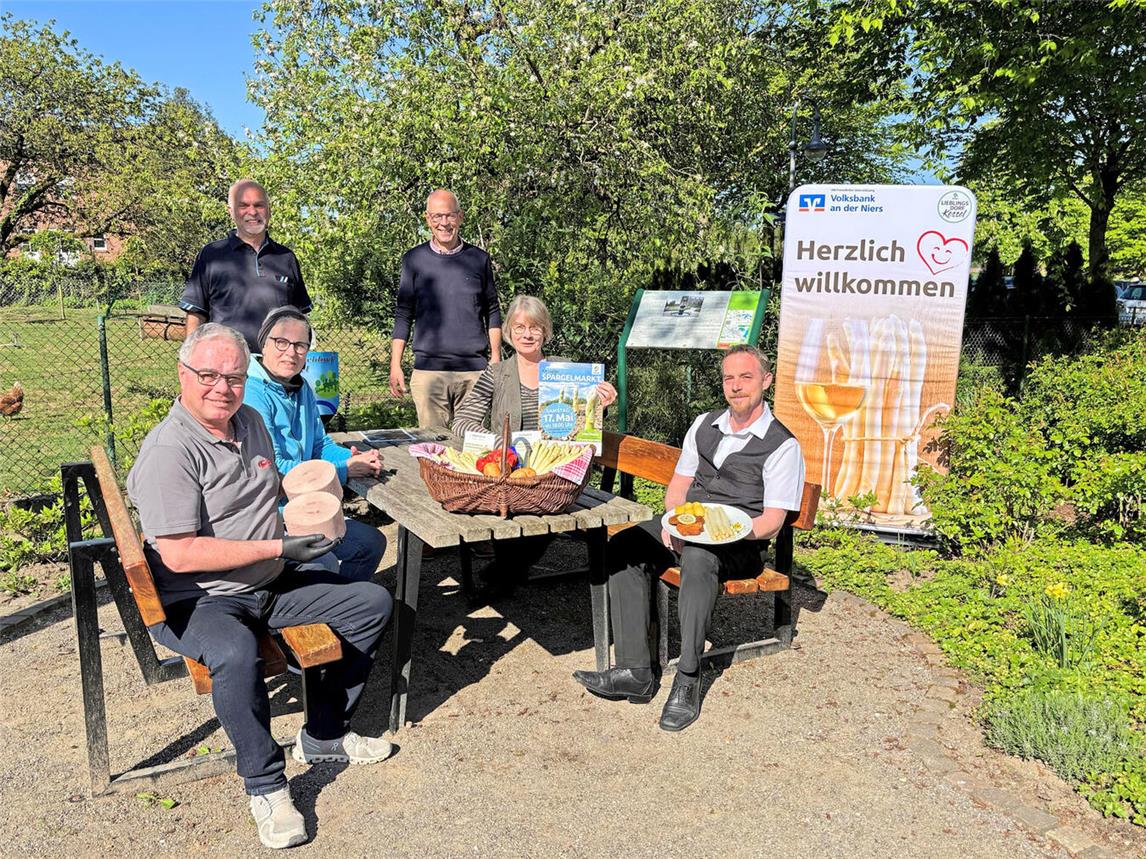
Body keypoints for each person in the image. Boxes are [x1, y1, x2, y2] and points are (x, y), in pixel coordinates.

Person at [126, 323, 393, 850]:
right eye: (207, 375)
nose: (221, 387)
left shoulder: (248, 421)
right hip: (199, 597)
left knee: (370, 602)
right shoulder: (170, 451)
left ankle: (323, 737)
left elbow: (271, 491)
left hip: (268, 579)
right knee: (235, 651)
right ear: (182, 375)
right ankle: (266, 785)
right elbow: (178, 553)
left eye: (232, 375)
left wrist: (307, 517)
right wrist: (277, 548)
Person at [572, 345, 804, 732]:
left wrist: (723, 534)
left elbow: (772, 522)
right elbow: (679, 486)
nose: (735, 386)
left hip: (741, 546)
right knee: (624, 546)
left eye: (745, 377)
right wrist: (673, 523)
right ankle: (635, 671)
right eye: (729, 378)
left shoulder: (782, 445)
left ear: (766, 380)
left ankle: (688, 678)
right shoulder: (704, 424)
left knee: (698, 559)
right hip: (689, 526)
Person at [450, 295, 616, 592]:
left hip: (555, 476)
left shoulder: (567, 371)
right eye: (519, 327)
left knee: (546, 509)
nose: (527, 334)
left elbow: (582, 427)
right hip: (508, 473)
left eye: (535, 327)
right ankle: (507, 572)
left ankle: (503, 574)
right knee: (511, 512)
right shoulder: (496, 373)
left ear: (546, 331)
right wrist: (499, 444)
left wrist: (600, 405)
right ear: (509, 333)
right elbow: (461, 422)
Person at [243, 306, 387, 582]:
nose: (291, 352)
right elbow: (278, 469)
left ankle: (343, 612)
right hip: (274, 516)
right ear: (264, 343)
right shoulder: (252, 393)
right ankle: (320, 611)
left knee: (371, 544)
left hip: (309, 505)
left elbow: (320, 444)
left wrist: (354, 457)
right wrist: (343, 470)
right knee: (325, 561)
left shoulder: (301, 387)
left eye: (300, 345)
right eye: (281, 342)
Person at [389, 189, 503, 428]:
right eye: (437, 216)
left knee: (473, 448)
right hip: (429, 373)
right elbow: (404, 313)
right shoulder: (414, 260)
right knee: (433, 451)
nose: (444, 223)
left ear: (460, 217)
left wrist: (495, 358)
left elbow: (492, 310)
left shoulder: (478, 259)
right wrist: (395, 364)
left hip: (474, 373)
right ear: (427, 219)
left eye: (450, 216)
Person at [180, 179, 312, 353]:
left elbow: (299, 319)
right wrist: (192, 360)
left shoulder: (286, 257)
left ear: (269, 210)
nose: (252, 212)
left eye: (259, 205)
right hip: (226, 366)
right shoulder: (211, 255)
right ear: (231, 211)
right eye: (243, 205)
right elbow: (196, 314)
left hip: (277, 368)